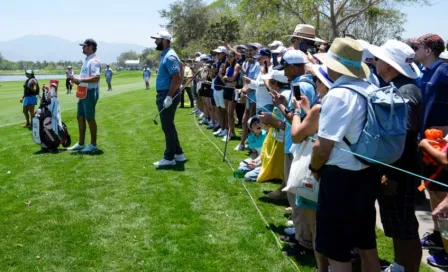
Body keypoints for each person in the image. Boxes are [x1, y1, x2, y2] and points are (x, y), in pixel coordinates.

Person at [311, 38, 381, 272]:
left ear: (333, 65)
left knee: (336, 251)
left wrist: (314, 168)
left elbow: (323, 147)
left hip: (342, 178)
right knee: (366, 244)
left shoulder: (339, 94)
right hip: (368, 172)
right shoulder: (370, 87)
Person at [370, 39, 423, 272]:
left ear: (389, 65)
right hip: (398, 169)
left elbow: (404, 135)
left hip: (400, 172)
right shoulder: (401, 86)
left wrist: (392, 174)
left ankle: (407, 268)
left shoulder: (405, 90)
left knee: (405, 228)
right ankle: (400, 266)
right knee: (397, 225)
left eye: (379, 59)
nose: (376, 62)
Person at [259, 51, 316, 255]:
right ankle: (301, 234)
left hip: (298, 146)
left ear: (293, 67)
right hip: (294, 145)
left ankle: (305, 242)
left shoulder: (303, 86)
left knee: (298, 195)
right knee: (294, 196)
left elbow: (298, 118)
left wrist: (278, 112)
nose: (285, 72)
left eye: (286, 68)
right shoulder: (300, 84)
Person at [290, 63, 333, 272]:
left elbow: (297, 135)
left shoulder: (321, 106)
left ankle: (321, 267)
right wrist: (308, 110)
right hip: (338, 172)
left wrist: (298, 112)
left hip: (317, 170)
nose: (315, 82)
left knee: (316, 226)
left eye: (317, 79)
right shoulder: (338, 104)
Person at [150, 31, 186, 167]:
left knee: (167, 126)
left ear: (165, 41)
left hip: (167, 94)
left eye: (157, 40)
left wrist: (170, 95)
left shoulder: (170, 56)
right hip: (166, 93)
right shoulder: (166, 54)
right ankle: (179, 154)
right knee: (169, 125)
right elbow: (181, 66)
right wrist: (180, 84)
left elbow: (176, 77)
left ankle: (169, 157)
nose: (155, 42)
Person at [67, 38, 102, 153]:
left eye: (84, 46)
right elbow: (85, 77)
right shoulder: (87, 60)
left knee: (90, 118)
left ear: (90, 46)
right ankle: (81, 143)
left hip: (90, 92)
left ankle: (93, 144)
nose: (82, 48)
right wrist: (76, 80)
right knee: (80, 117)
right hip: (82, 92)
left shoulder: (95, 61)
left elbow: (96, 77)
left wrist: (80, 79)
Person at [237, 116, 267, 181]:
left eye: (258, 123)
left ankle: (255, 169)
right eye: (255, 124)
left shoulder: (266, 134)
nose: (258, 125)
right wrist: (252, 160)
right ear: (251, 128)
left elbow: (265, 153)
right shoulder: (250, 137)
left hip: (265, 158)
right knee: (241, 166)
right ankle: (253, 168)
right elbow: (254, 152)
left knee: (248, 175)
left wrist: (256, 162)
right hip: (259, 157)